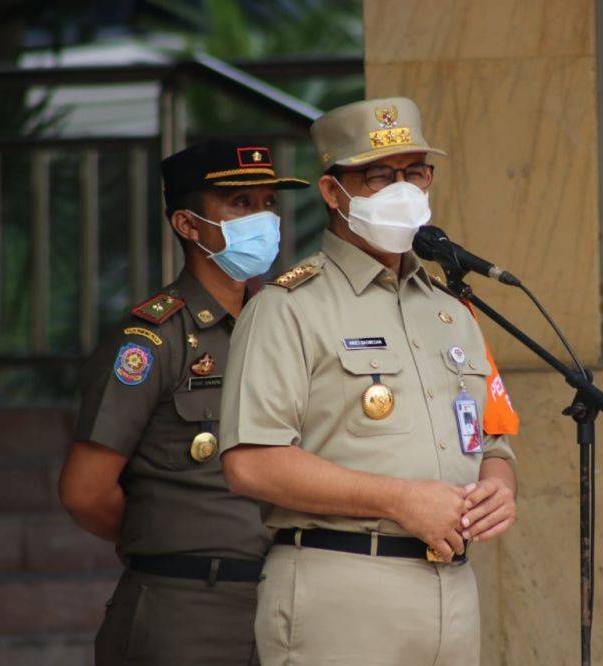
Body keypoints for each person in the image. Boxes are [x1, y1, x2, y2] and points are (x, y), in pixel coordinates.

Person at [219, 97, 520, 666]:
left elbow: (491, 443)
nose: (401, 189)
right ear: (333, 193)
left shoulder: (450, 309)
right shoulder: (289, 307)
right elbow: (250, 462)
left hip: (452, 590)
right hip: (341, 583)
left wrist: (498, 488)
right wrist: (401, 500)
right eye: (378, 176)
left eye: (414, 173)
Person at [58, 139, 308, 666]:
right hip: (186, 607)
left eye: (267, 204)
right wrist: (158, 536)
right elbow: (86, 491)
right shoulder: (153, 340)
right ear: (187, 225)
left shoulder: (282, 326)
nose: (262, 219)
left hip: (286, 601)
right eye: (240, 205)